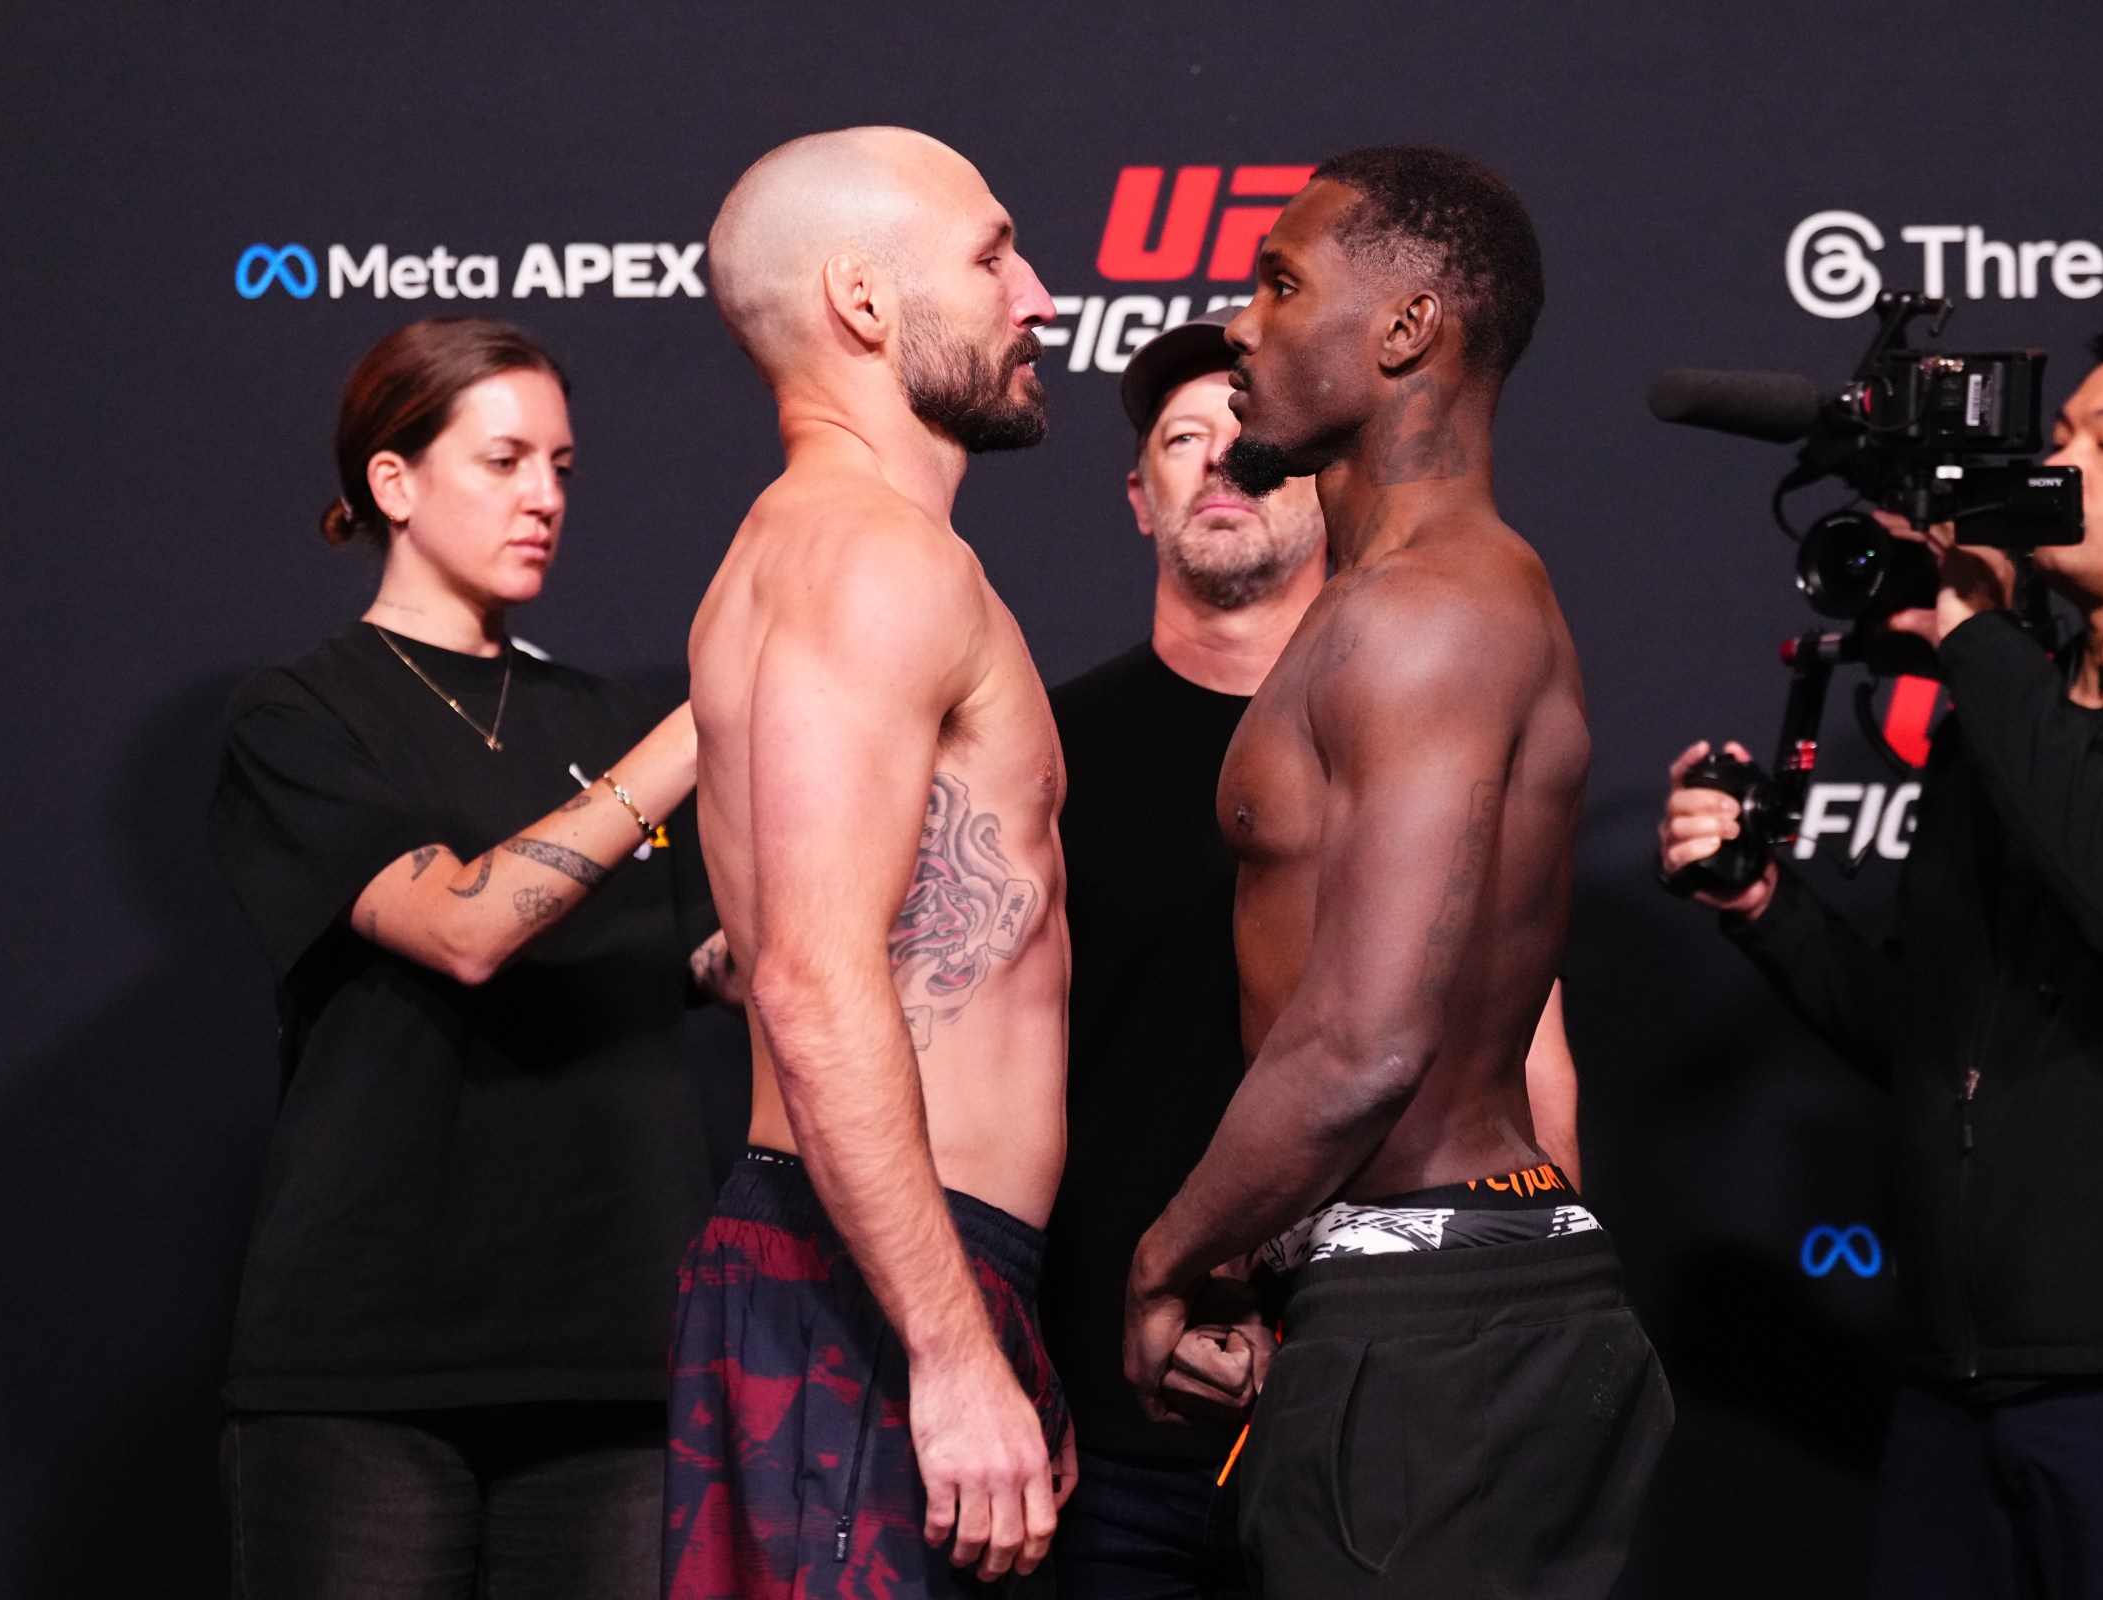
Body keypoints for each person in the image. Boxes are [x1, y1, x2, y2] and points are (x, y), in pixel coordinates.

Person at [1658, 322, 2103, 1599]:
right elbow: (1934, 1034)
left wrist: (1976, 633)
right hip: (1953, 1395)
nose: (2054, 461)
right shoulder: (2005, 741)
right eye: (2059, 431)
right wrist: (1764, 902)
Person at [1121, 147, 1671, 1600]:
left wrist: (1166, 1261)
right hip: (1429, 1312)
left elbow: (1365, 1045)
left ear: (1409, 330)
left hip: (1437, 1336)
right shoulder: (1423, 596)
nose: (1241, 323)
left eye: (1281, 283)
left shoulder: (1426, 613)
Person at [1047, 310, 1592, 1599]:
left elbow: (1527, 1060)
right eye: (1182, 438)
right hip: (1106, 1400)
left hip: (1373, 1375)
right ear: (1138, 498)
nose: (1222, 459)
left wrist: (1483, 1320)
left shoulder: (1418, 695)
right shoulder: (1045, 744)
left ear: (1308, 468)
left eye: (1246, 432)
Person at [208, 317, 740, 1599]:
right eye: (504, 461)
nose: (546, 497)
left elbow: (723, 960)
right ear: (393, 484)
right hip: (372, 1364)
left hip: (619, 1355)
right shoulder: (302, 713)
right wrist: (704, 722)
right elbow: (462, 927)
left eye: (561, 464)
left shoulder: (603, 718)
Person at [662, 127, 1072, 1598]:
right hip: (884, 1278)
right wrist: (954, 1352)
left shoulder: (802, 550)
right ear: (862, 299)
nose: (1039, 296)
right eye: (991, 255)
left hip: (873, 1265)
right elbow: (813, 981)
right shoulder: (878, 564)